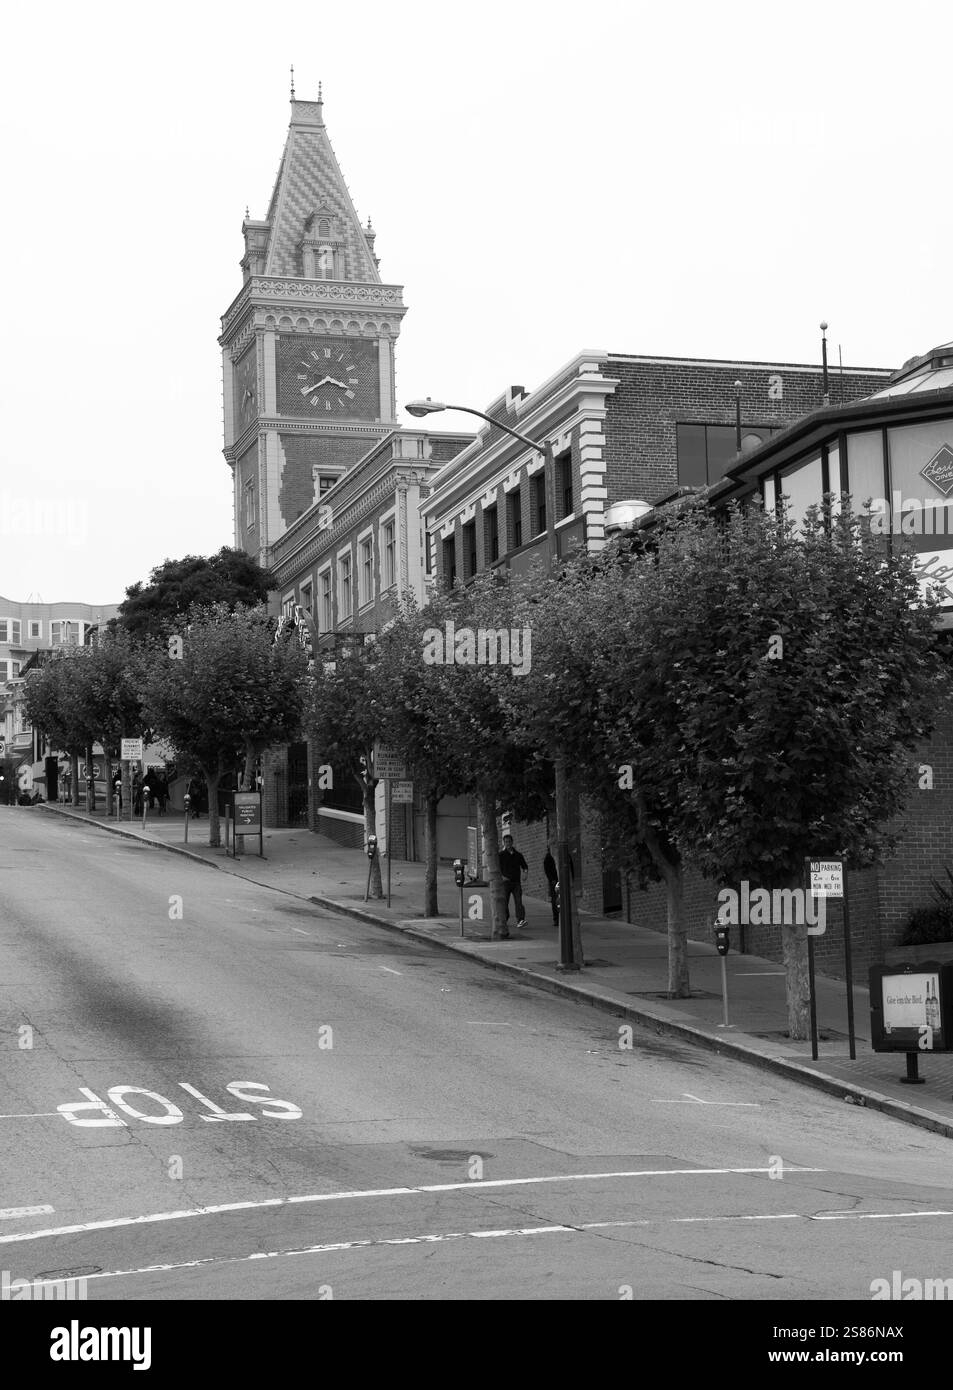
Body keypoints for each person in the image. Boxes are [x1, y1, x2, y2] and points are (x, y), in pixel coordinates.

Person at [498, 833, 528, 938]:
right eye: (506, 842)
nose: (508, 844)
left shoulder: (518, 855)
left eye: (509, 842)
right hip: (506, 883)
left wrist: (525, 874)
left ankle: (520, 920)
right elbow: (496, 868)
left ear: (512, 842)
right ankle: (504, 919)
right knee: (505, 902)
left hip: (516, 882)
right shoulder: (501, 855)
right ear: (504, 843)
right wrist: (502, 877)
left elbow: (524, 866)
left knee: (518, 901)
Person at [543, 845, 575, 928]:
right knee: (555, 900)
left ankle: (566, 918)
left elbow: (571, 868)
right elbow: (547, 870)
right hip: (555, 882)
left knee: (565, 899)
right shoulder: (548, 858)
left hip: (564, 881)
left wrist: (571, 880)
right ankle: (556, 919)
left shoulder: (566, 855)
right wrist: (552, 880)